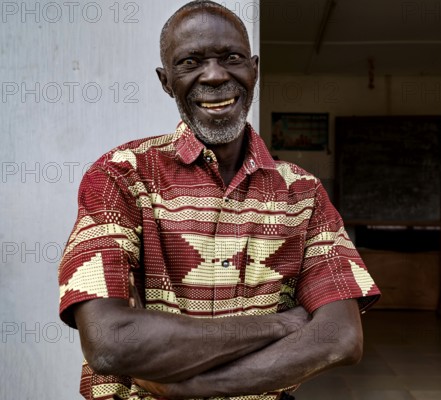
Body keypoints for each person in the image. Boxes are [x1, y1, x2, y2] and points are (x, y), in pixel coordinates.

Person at [57, 1, 380, 399]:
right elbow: (111, 342)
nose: (213, 75)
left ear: (254, 69)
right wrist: (284, 323)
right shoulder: (119, 177)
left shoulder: (303, 193)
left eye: (231, 58)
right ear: (166, 80)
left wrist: (194, 388)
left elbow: (340, 337)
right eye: (191, 62)